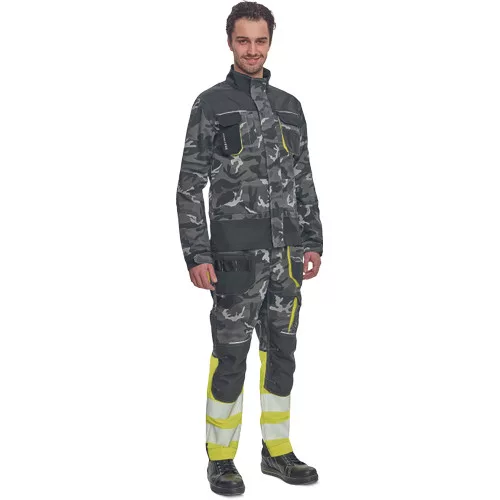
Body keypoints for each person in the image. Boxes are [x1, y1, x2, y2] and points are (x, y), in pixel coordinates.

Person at [176, 1, 323, 495]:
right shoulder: (211, 104)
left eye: (260, 41)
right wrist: (197, 253)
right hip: (235, 261)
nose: (252, 50)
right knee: (231, 356)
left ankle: (277, 451)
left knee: (282, 353)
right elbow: (188, 185)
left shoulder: (290, 107)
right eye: (243, 40)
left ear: (270, 42)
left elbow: (304, 179)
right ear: (230, 42)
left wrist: (313, 241)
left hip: (287, 258)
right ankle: (221, 459)